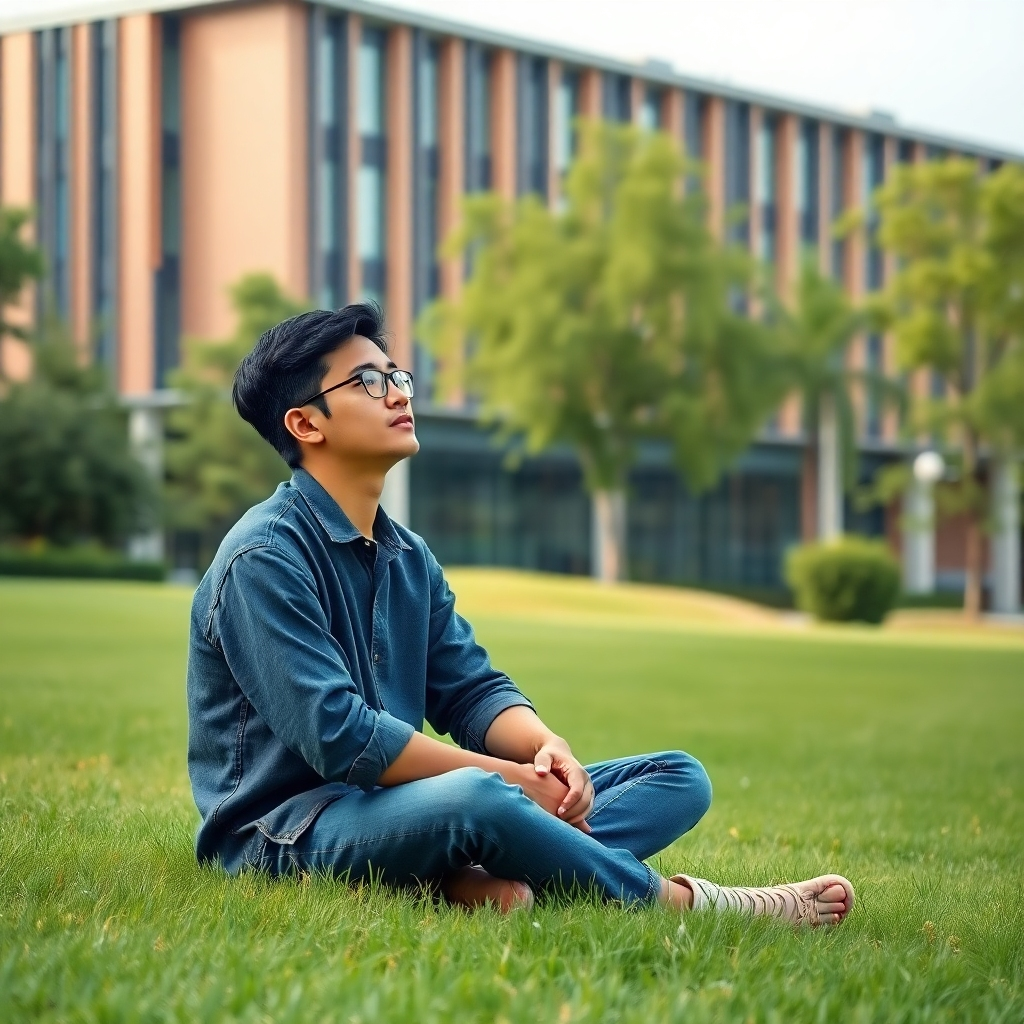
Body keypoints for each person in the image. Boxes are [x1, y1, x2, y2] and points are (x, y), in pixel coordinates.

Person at [186, 302, 854, 924]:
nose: (397, 393)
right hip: (284, 833)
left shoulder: (407, 555)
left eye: (397, 376)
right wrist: (507, 783)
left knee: (676, 778)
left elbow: (471, 690)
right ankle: (680, 904)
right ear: (305, 424)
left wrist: (543, 750)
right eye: (366, 381)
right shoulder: (263, 557)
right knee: (482, 799)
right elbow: (339, 734)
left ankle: (460, 869)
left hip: (403, 811)